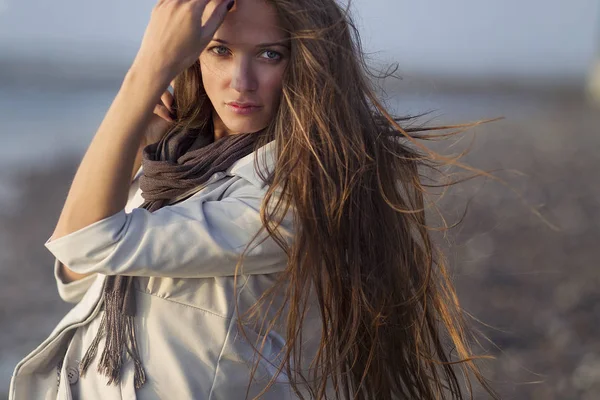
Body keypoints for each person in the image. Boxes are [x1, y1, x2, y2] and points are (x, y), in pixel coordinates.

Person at [10, 0, 500, 399]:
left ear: (305, 62)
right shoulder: (179, 163)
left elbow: (81, 242)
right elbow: (79, 283)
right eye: (220, 50)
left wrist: (143, 76)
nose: (241, 82)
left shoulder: (288, 197)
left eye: (269, 54)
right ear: (195, 55)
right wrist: (140, 139)